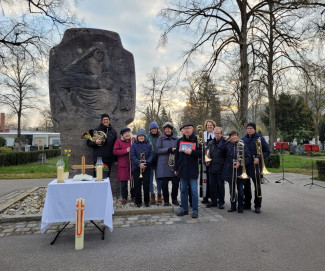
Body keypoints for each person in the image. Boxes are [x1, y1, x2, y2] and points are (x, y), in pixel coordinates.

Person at [174, 123, 202, 218]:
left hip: (192, 170)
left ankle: (195, 210)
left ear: (192, 129)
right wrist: (175, 168)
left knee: (194, 191)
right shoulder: (180, 140)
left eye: (188, 128)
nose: (186, 130)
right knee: (183, 190)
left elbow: (202, 153)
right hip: (182, 169)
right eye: (185, 129)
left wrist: (192, 152)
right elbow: (176, 156)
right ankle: (184, 209)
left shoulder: (197, 140)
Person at [219, 131, 251, 213]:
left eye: (235, 135)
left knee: (240, 191)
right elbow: (220, 147)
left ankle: (240, 207)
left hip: (240, 171)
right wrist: (224, 140)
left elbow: (248, 157)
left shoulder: (242, 144)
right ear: (230, 137)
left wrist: (240, 163)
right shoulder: (227, 145)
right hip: (230, 170)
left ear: (237, 136)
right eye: (232, 136)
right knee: (231, 190)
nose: (234, 137)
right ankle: (233, 206)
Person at [242, 123, 270, 213]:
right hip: (247, 166)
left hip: (256, 166)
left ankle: (257, 205)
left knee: (257, 187)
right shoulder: (243, 139)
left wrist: (259, 158)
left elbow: (267, 151)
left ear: (254, 129)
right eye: (248, 128)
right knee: (246, 187)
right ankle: (247, 204)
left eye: (251, 128)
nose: (249, 130)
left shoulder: (260, 138)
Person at [156, 122, 179, 206]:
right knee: (164, 184)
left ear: (171, 129)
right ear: (164, 130)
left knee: (175, 183)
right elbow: (158, 150)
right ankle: (166, 200)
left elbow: (179, 149)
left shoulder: (176, 138)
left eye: (169, 129)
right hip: (163, 164)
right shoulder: (160, 138)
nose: (167, 130)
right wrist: (168, 150)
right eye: (166, 129)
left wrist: (176, 150)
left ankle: (174, 199)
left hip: (173, 163)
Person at [130, 128, 153, 207]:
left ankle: (147, 201)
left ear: (145, 136)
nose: (141, 137)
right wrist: (139, 163)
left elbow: (151, 155)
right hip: (137, 168)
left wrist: (147, 162)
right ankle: (138, 201)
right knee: (137, 185)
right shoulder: (134, 145)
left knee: (146, 185)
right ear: (137, 137)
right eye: (139, 136)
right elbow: (132, 156)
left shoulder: (148, 144)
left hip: (146, 167)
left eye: (142, 136)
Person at [206, 127, 226, 209]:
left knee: (220, 186)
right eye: (215, 133)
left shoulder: (224, 143)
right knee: (212, 185)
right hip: (211, 168)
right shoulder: (210, 143)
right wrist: (206, 161)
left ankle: (221, 202)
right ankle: (214, 201)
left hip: (220, 167)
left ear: (221, 134)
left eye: (218, 133)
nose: (217, 135)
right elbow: (207, 154)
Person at [113, 128, 132, 204]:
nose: (127, 134)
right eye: (125, 133)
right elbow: (115, 151)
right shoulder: (118, 141)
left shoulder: (133, 140)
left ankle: (133, 196)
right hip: (123, 164)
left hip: (132, 164)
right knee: (123, 182)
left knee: (133, 181)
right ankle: (124, 197)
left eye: (128, 133)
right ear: (122, 135)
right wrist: (125, 151)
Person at [200, 120, 216, 204]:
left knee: (212, 179)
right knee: (204, 179)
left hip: (213, 160)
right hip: (204, 159)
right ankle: (205, 196)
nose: (209, 127)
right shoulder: (203, 135)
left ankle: (213, 197)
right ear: (206, 127)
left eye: (211, 125)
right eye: (208, 125)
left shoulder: (216, 134)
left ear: (213, 126)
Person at [146, 122, 162, 205]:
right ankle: (152, 194)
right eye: (152, 129)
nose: (154, 130)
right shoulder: (147, 137)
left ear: (157, 129)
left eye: (155, 128)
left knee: (158, 179)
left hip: (159, 161)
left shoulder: (160, 137)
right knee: (150, 179)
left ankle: (159, 194)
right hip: (150, 161)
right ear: (150, 129)